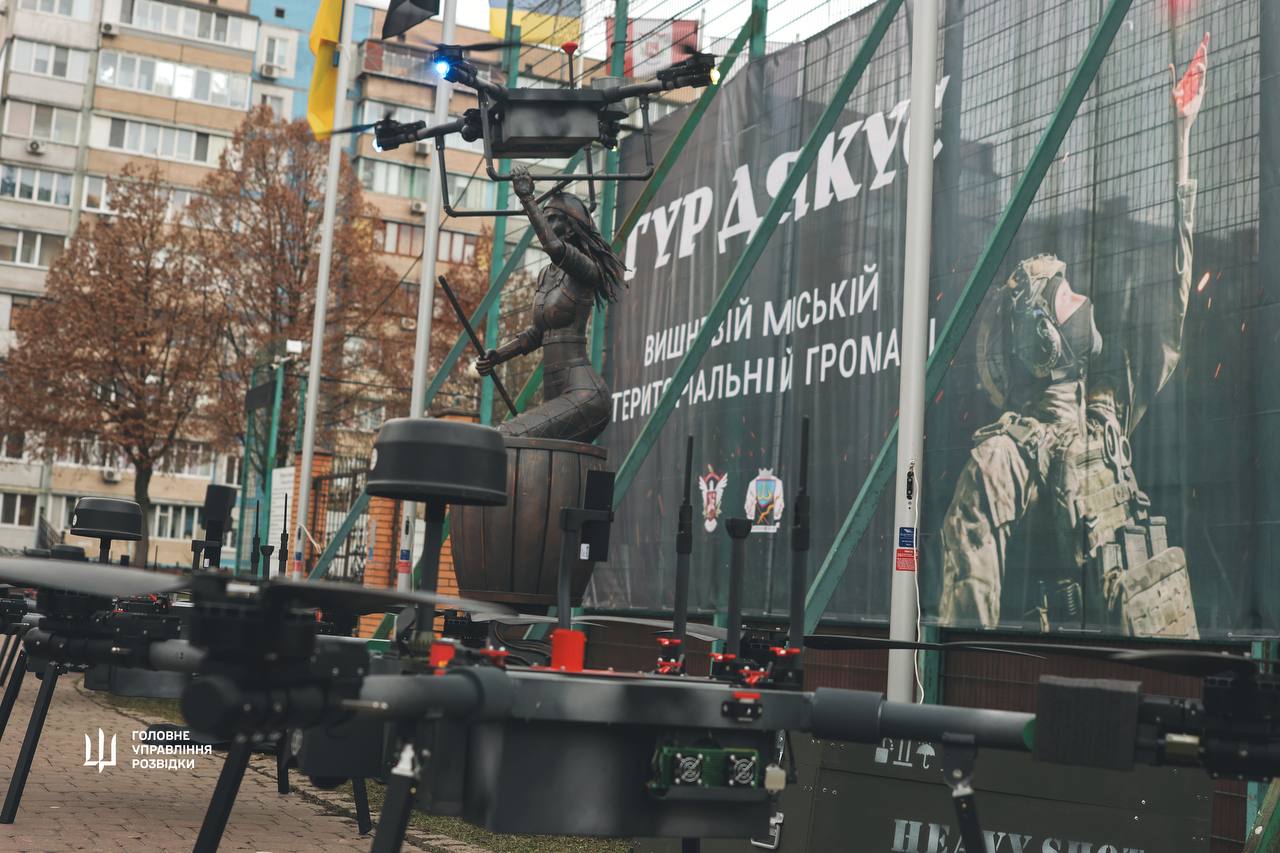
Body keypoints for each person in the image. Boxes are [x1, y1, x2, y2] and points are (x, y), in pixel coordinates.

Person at [938, 34, 1208, 636]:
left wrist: (1182, 141)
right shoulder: (1000, 460)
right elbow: (968, 616)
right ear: (1044, 342)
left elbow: (1170, 311)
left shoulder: (1104, 420)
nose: (1082, 299)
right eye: (1065, 295)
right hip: (1054, 676)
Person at [475, 166, 625, 443]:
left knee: (505, 437)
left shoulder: (586, 269)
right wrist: (499, 356)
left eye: (554, 218)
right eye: (546, 216)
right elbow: (538, 333)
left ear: (571, 228)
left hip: (584, 394)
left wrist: (527, 199)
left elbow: (554, 248)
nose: (547, 222)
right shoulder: (547, 274)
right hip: (555, 390)